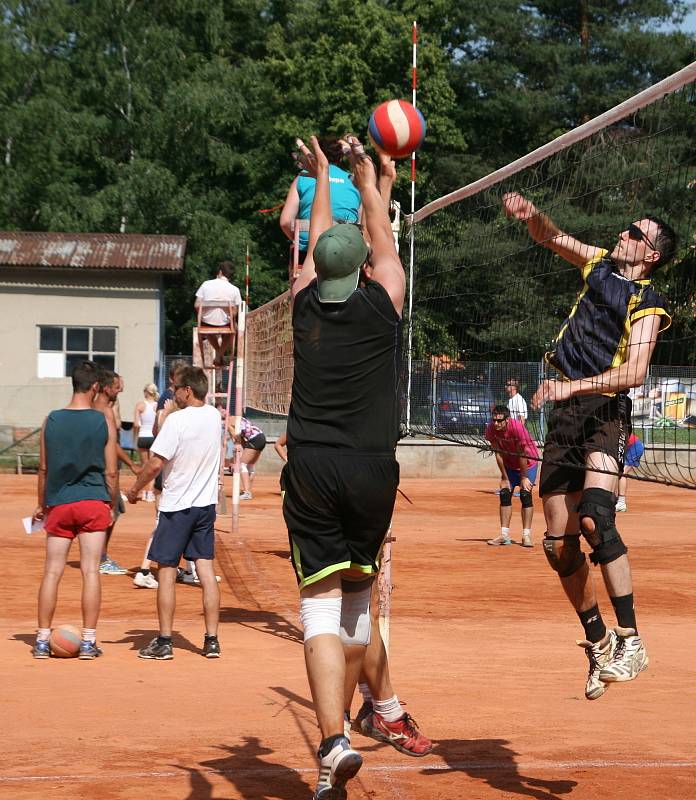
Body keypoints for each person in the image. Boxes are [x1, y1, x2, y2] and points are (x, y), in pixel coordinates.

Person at [283, 133, 430, 799]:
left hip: (312, 465)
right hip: (373, 469)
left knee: (317, 609)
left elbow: (317, 241)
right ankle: (361, 721)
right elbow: (380, 234)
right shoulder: (385, 300)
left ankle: (334, 739)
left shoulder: (303, 304)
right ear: (366, 267)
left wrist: (318, 175)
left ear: (317, 268)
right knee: (357, 604)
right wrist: (367, 175)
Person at [503, 191, 675, 700]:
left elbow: (635, 372)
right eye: (627, 228)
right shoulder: (599, 264)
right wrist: (532, 214)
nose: (624, 234)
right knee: (558, 545)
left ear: (651, 256)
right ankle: (598, 641)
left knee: (596, 516)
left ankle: (631, 639)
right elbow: (551, 237)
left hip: (604, 408)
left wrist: (569, 386)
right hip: (565, 415)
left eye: (635, 233)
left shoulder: (650, 302)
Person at [127, 366, 222, 659]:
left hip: (177, 506)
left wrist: (134, 490)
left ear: (187, 391)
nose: (173, 392)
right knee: (205, 569)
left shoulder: (177, 420)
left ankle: (165, 641)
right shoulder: (214, 416)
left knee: (166, 570)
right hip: (205, 506)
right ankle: (212, 640)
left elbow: (156, 463)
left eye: (176, 388)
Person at [32, 361, 118, 659]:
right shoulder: (101, 420)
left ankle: (42, 640)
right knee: (90, 571)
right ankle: (89, 641)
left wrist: (42, 505)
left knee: (52, 571)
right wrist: (111, 503)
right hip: (93, 501)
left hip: (59, 502)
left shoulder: (51, 419)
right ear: (95, 386)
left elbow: (43, 468)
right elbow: (111, 471)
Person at [280, 137, 361, 267]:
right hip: (346, 249)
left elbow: (285, 222)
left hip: (309, 252)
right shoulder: (354, 181)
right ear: (340, 158)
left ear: (316, 155)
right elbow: (360, 223)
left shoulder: (303, 177)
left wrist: (301, 241)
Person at [485, 405, 539, 547]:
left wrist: (523, 477)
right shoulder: (491, 428)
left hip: (528, 463)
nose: (495, 423)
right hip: (509, 464)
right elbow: (498, 453)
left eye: (499, 420)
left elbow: (523, 453)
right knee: (504, 493)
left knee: (525, 494)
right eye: (494, 420)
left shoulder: (517, 428)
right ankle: (504, 535)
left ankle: (526, 535)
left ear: (507, 420)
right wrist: (504, 477)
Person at [92, 369, 130, 575]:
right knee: (111, 513)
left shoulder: (96, 407)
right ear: (106, 389)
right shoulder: (104, 411)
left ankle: (98, 556)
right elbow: (112, 444)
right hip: (107, 470)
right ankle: (101, 558)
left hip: (98, 468)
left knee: (109, 513)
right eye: (116, 388)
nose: (119, 391)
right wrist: (132, 465)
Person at [194, 261, 241, 366]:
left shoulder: (205, 284)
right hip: (224, 323)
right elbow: (234, 312)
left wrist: (204, 314)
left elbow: (197, 305)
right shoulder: (235, 290)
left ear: (220, 272)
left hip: (206, 322)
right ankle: (219, 355)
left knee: (208, 329)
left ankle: (219, 355)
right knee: (233, 328)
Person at [133, 383, 159, 502]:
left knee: (144, 466)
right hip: (153, 438)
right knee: (152, 467)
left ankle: (143, 492)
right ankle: (150, 493)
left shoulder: (140, 405)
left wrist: (136, 436)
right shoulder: (157, 406)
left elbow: (136, 424)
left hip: (143, 437)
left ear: (146, 392)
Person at [231, 416, 266, 500]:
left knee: (241, 465)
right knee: (249, 466)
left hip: (254, 439)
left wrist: (238, 451)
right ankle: (247, 491)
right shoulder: (237, 417)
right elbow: (242, 439)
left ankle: (247, 492)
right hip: (261, 437)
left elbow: (237, 439)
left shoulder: (228, 422)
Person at [616, 426, 644, 513]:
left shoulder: (617, 430)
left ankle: (621, 503)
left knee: (622, 474)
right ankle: (614, 499)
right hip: (629, 448)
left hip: (634, 448)